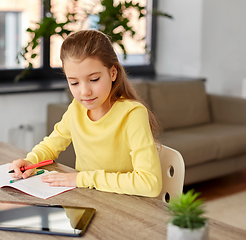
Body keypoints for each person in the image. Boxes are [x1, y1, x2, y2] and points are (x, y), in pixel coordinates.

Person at [9, 30, 162, 197]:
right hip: (87, 200)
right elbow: (51, 145)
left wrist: (81, 179)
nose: (85, 92)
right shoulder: (76, 109)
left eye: (94, 79)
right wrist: (30, 161)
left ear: (112, 73)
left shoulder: (132, 114)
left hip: (123, 205)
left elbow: (150, 183)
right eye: (74, 82)